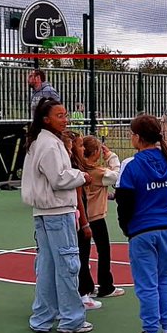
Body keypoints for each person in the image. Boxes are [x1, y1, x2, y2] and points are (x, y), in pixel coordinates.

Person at [22, 98, 101, 333]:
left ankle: (44, 316)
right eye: (59, 115)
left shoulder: (41, 142)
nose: (65, 119)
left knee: (47, 266)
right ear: (46, 119)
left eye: (65, 115)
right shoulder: (49, 144)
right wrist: (82, 177)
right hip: (58, 211)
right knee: (67, 264)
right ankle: (72, 319)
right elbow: (58, 178)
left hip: (46, 213)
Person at [116, 114, 167, 333]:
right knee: (165, 280)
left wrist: (127, 228)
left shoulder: (132, 165)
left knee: (147, 284)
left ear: (137, 137)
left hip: (141, 230)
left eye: (131, 133)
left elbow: (123, 203)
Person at [62, 130, 103, 311]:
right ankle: (82, 293)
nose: (82, 148)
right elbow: (78, 198)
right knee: (81, 255)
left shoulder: (77, 167)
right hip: (76, 218)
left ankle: (79, 292)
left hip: (73, 216)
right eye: (79, 145)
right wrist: (85, 223)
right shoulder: (74, 170)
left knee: (78, 256)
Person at [81, 135, 124, 299]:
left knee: (83, 254)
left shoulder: (80, 169)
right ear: (96, 153)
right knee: (104, 251)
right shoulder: (99, 173)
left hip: (83, 217)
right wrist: (111, 156)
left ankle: (86, 286)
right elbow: (117, 175)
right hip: (96, 217)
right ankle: (106, 286)